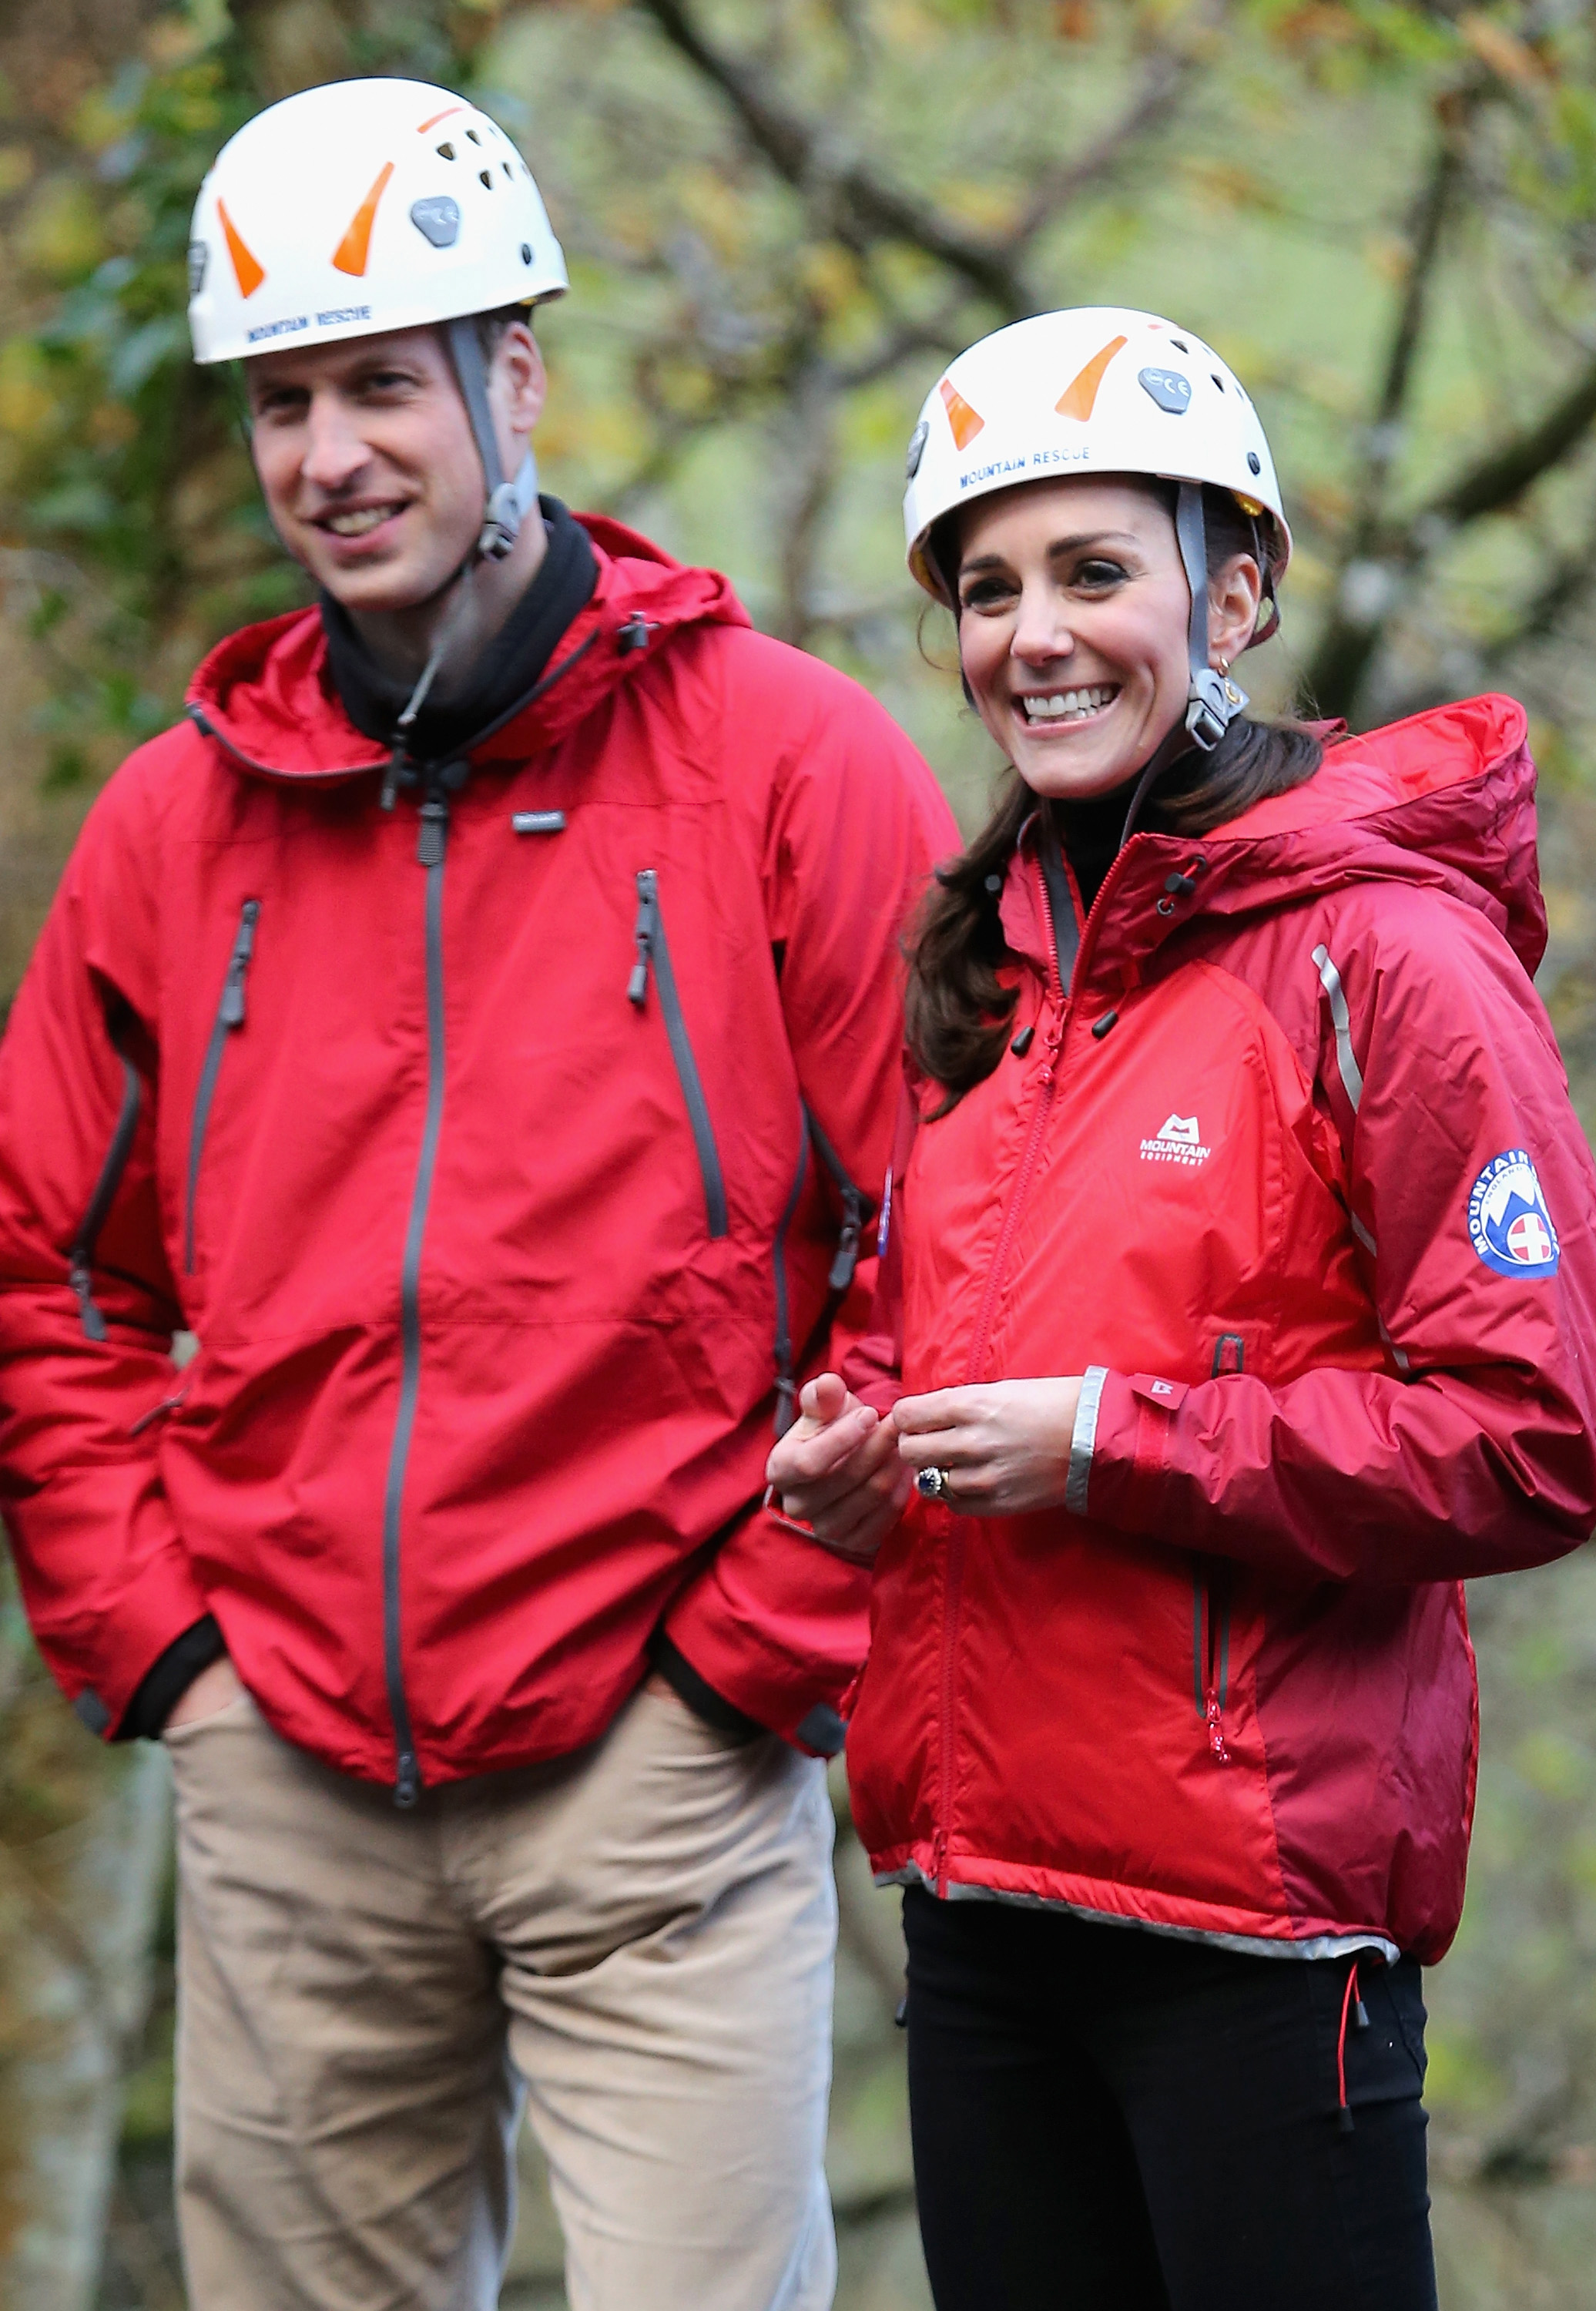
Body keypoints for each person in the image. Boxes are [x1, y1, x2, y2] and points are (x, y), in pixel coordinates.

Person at [0, 77, 954, 2311]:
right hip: (286, 1770)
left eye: (378, 386)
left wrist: (753, 1650)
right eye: (281, 400)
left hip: (661, 1763)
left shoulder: (788, 766)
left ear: (509, 372)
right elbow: (47, 1256)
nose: (326, 454)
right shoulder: (174, 822)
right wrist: (161, 1642)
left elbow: (963, 1235)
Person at [767, 304, 1596, 2310]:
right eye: (985, 591)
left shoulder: (1387, 961)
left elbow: (1530, 1435)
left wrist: (1104, 1442)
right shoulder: (993, 989)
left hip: (1251, 1938)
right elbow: (969, 1375)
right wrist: (864, 1460)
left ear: (1229, 588)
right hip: (978, 1917)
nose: (1031, 635)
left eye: (1091, 571)